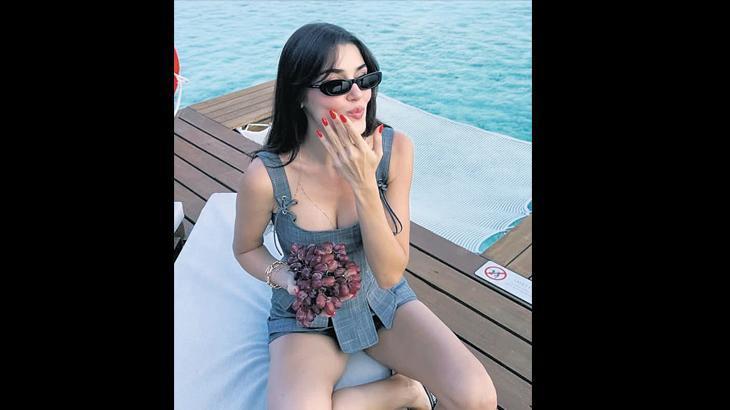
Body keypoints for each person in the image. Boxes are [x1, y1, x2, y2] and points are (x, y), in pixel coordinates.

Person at [233, 22, 497, 410]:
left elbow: (390, 274)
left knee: (478, 397)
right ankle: (402, 391)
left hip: (381, 301)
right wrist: (286, 277)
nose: (357, 94)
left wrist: (364, 183)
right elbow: (246, 249)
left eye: (364, 78)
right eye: (335, 84)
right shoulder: (267, 177)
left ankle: (407, 389)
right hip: (307, 318)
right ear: (299, 95)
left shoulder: (395, 149)